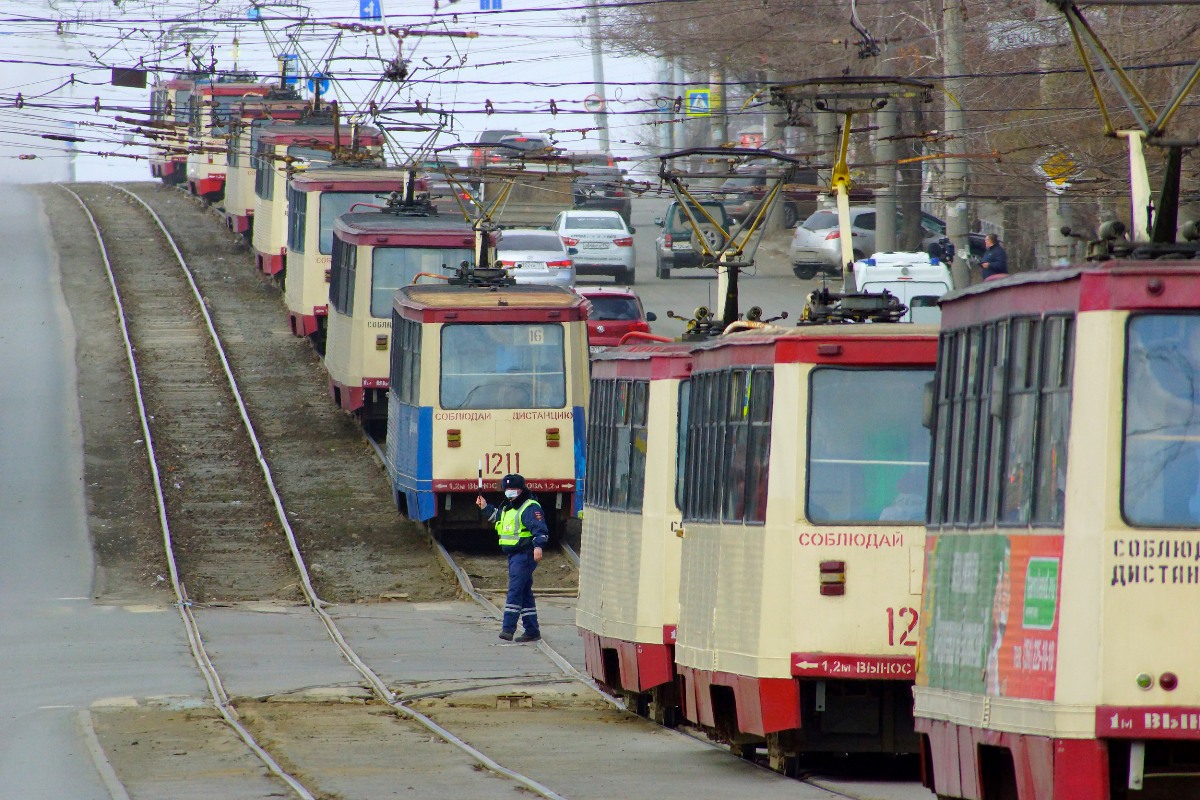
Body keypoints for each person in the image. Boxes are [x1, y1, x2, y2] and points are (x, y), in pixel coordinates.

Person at [476, 474, 547, 642]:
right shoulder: (509, 508)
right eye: (506, 489)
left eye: (512, 489)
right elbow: (498, 518)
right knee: (524, 592)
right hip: (514, 555)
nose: (509, 492)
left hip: (525, 554)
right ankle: (532, 630)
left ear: (521, 490)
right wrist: (485, 507)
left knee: (514, 590)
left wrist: (538, 547)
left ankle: (508, 629)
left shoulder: (529, 507)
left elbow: (540, 528)